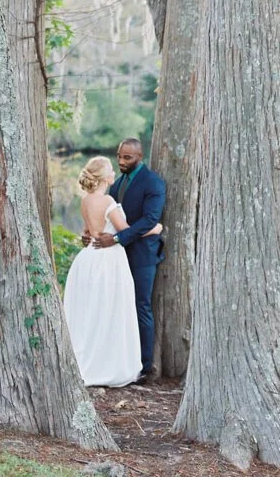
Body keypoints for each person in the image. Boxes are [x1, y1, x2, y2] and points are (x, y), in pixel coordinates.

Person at [64, 156, 162, 387]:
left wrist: (87, 235)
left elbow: (88, 231)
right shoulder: (107, 200)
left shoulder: (86, 200)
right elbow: (126, 231)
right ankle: (107, 365)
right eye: (110, 170)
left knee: (93, 312)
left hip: (88, 258)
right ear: (102, 178)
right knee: (109, 311)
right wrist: (155, 229)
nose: (113, 173)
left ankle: (92, 361)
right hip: (107, 261)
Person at [92, 138, 166, 383]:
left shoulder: (153, 182)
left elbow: (150, 220)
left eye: (127, 157)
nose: (121, 161)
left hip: (143, 254)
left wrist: (116, 238)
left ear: (139, 157)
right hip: (117, 256)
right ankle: (121, 361)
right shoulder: (117, 184)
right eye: (119, 156)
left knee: (141, 305)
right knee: (118, 306)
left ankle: (145, 367)